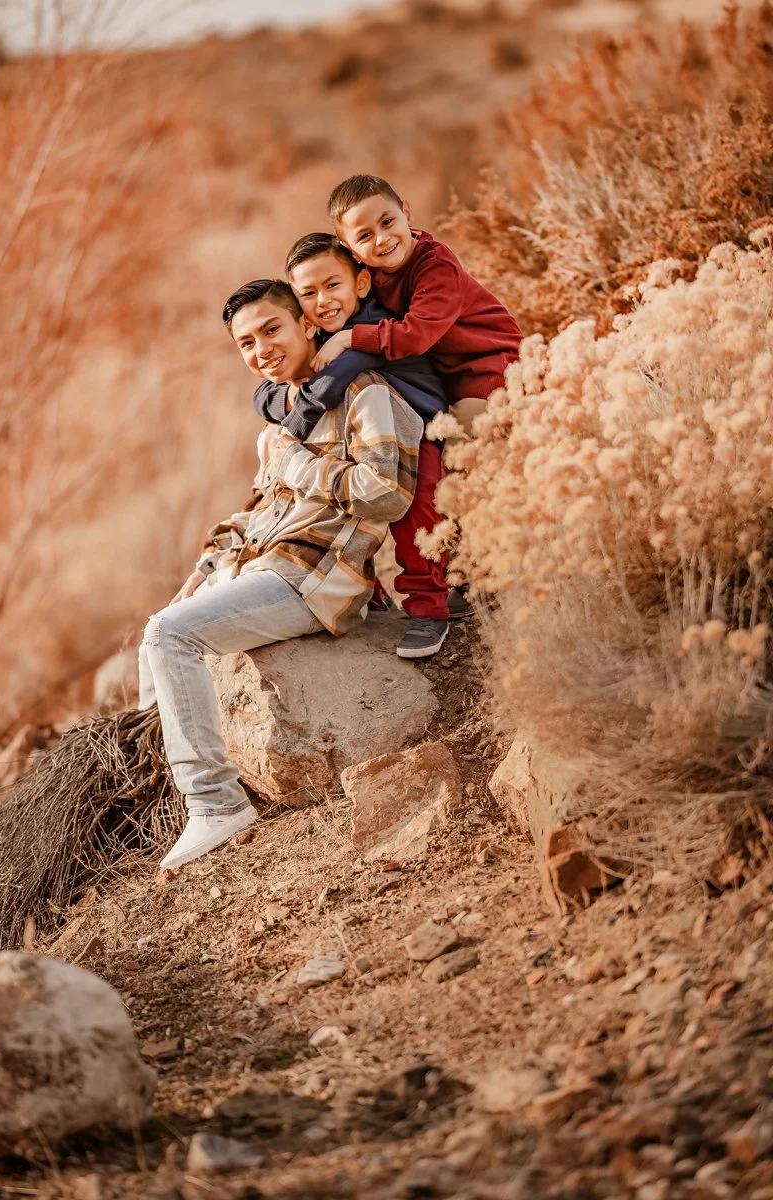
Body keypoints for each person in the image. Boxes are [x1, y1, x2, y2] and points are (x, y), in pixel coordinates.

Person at [139, 278, 423, 872]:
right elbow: (261, 510)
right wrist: (206, 567)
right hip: (266, 565)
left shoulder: (366, 394)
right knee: (153, 635)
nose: (261, 348)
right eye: (246, 342)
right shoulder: (280, 420)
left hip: (317, 579)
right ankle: (168, 797)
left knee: (172, 636)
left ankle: (216, 804)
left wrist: (302, 465)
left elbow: (388, 495)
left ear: (306, 326)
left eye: (272, 329)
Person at [253, 231, 461, 659]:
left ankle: (429, 610)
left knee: (415, 512)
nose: (323, 300)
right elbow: (263, 394)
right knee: (330, 499)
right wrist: (283, 398)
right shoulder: (320, 336)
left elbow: (324, 386)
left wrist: (291, 426)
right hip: (366, 434)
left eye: (333, 286)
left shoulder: (372, 331)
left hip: (418, 431)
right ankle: (368, 592)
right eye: (307, 293)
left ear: (361, 284)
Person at [314, 173, 523, 435]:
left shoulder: (436, 267)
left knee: (456, 449)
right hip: (443, 381)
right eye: (365, 236)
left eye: (388, 222)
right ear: (350, 248)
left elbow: (415, 335)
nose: (382, 238)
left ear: (406, 212)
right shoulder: (368, 272)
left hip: (490, 369)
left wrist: (347, 338)